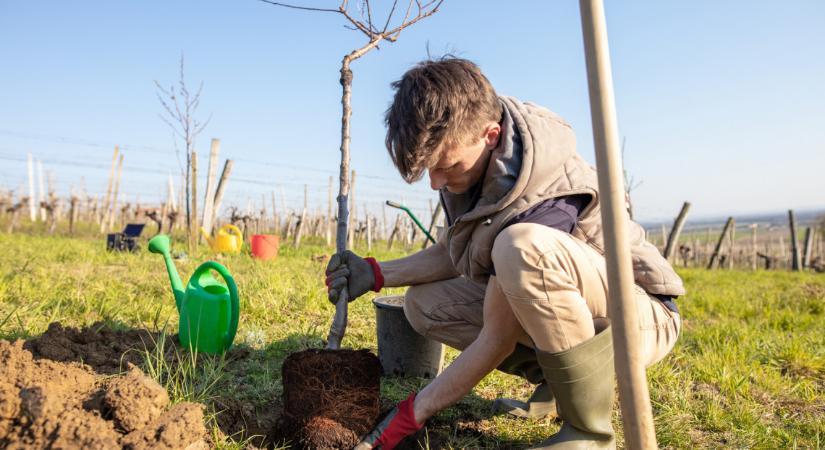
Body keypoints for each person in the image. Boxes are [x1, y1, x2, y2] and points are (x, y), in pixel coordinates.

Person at [325, 57, 684, 450]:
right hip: (571, 300)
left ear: (491, 135)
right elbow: (455, 252)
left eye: (445, 166)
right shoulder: (475, 164)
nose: (435, 183)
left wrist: (412, 414)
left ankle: (588, 430)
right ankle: (556, 385)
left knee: (520, 248)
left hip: (638, 317)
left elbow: (497, 337)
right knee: (423, 305)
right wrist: (377, 273)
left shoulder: (542, 188)